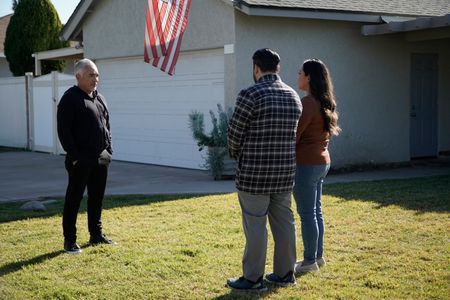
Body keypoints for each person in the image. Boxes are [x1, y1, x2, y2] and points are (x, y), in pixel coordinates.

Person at [226, 48, 302, 292]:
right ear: (277, 68)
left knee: (256, 225)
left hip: (254, 175)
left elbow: (235, 133)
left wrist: (236, 154)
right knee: (284, 224)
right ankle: (285, 273)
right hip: (284, 173)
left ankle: (252, 278)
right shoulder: (293, 96)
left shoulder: (250, 94)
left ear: (256, 68)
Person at [57, 58, 114, 254]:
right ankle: (70, 241)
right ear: (78, 76)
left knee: (96, 199)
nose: (95, 78)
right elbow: (64, 131)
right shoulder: (70, 99)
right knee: (73, 200)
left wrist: (109, 150)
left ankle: (96, 235)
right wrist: (74, 157)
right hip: (80, 160)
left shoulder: (100, 98)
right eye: (91, 75)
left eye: (97, 74)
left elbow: (107, 126)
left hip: (101, 158)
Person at [293, 59, 340, 273]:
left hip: (307, 164)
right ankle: (317, 257)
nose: (298, 76)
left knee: (307, 214)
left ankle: (309, 261)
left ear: (309, 76)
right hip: (322, 162)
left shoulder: (308, 102)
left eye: (300, 72)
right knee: (316, 212)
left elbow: (295, 136)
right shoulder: (324, 101)